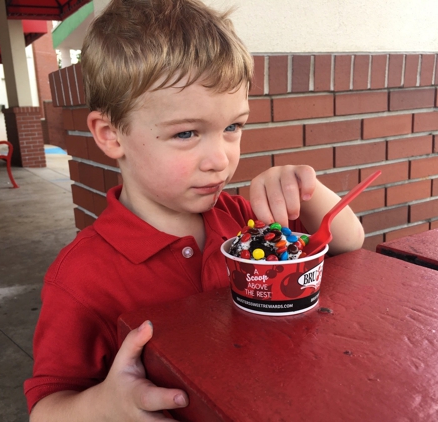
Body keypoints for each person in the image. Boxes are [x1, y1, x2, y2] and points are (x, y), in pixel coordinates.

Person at [25, 0, 364, 420]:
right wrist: (107, 405)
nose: (220, 159)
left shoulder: (247, 222)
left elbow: (348, 242)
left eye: (232, 127)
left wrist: (305, 192)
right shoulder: (81, 277)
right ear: (112, 136)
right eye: (186, 133)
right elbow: (46, 408)